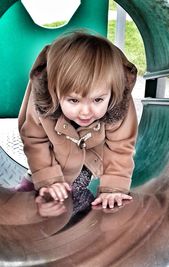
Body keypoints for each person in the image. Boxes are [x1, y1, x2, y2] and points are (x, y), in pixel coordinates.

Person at [18, 31, 138, 217]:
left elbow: (121, 147)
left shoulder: (118, 105)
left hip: (89, 163)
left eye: (98, 100)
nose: (85, 111)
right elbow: (34, 140)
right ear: (55, 93)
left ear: (112, 93)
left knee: (80, 205)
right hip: (50, 157)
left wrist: (113, 187)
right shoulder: (43, 104)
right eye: (74, 101)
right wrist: (48, 179)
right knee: (27, 200)